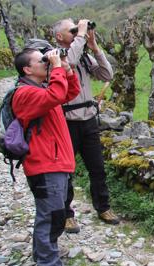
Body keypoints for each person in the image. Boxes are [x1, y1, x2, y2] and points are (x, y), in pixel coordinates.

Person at [12, 48, 81, 266]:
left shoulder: (41, 89)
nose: (46, 61)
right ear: (27, 69)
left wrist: (66, 68)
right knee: (51, 217)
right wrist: (57, 70)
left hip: (55, 163)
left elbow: (69, 92)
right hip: (44, 165)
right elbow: (55, 95)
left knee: (55, 213)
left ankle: (43, 254)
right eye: (40, 60)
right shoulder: (24, 94)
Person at [52, 18, 119, 233]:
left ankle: (103, 207)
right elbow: (68, 63)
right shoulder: (56, 56)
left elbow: (107, 75)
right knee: (66, 172)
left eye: (77, 30)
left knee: (97, 168)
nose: (76, 33)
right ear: (59, 37)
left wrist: (95, 48)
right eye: (71, 31)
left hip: (88, 120)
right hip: (66, 123)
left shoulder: (83, 57)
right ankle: (66, 214)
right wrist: (81, 35)